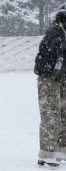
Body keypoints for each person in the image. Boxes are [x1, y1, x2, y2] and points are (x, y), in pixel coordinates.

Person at [34, 10, 66, 168]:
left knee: (62, 114)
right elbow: (56, 53)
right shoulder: (55, 33)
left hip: (60, 78)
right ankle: (47, 152)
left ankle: (60, 149)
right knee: (51, 114)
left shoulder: (62, 33)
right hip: (49, 79)